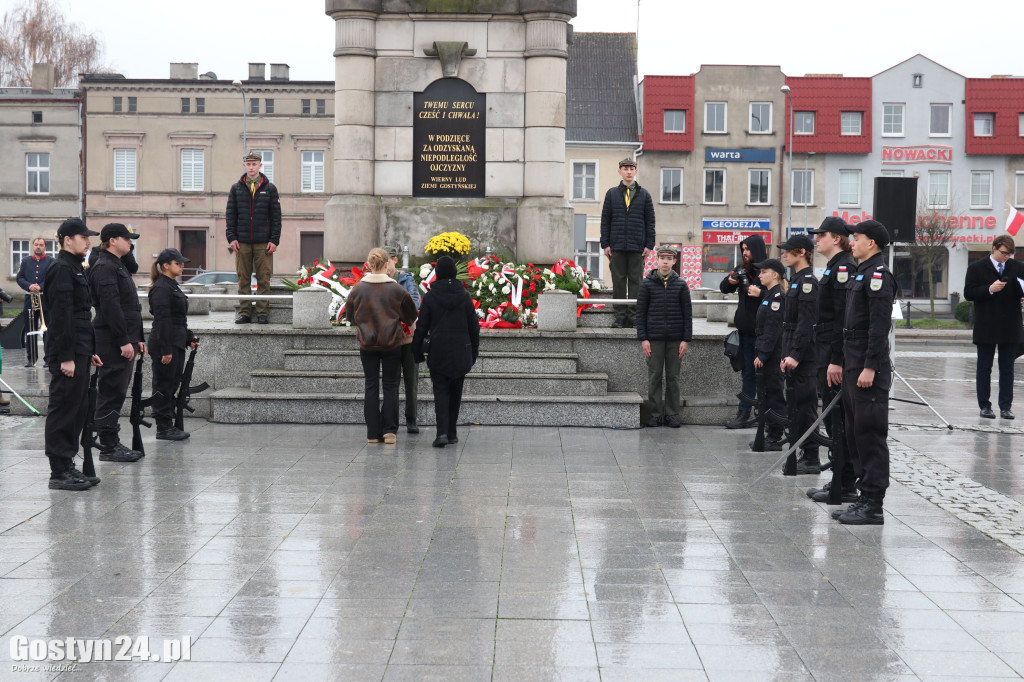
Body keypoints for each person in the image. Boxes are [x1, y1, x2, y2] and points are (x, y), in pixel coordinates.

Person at [835, 220, 897, 525]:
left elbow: (878, 326)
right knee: (855, 431)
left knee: (870, 433)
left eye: (856, 238)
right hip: (853, 359)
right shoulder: (861, 272)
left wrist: (871, 365)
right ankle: (863, 496)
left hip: (866, 364)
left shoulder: (878, 276)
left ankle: (874, 504)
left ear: (871, 243)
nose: (852, 243)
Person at [42, 218, 103, 490]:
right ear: (67, 239)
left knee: (77, 409)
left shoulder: (75, 267)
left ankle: (67, 463)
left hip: (79, 348)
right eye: (83, 237)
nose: (89, 242)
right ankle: (59, 471)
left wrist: (89, 351)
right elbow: (62, 316)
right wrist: (66, 356)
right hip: (67, 352)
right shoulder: (62, 269)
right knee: (64, 408)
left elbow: (81, 317)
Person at [806, 217, 858, 503]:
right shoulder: (835, 266)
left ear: (836, 238)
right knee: (833, 420)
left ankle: (845, 483)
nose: (817, 239)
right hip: (825, 349)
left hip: (832, 353)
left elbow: (842, 319)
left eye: (821, 234)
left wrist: (836, 360)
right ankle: (840, 478)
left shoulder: (843, 268)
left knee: (837, 421)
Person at [345, 248, 418, 445]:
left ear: (368, 265)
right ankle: (389, 432)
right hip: (391, 343)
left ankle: (372, 433)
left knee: (370, 385)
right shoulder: (396, 290)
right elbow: (411, 316)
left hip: (367, 344)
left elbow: (350, 317)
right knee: (390, 386)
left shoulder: (358, 289)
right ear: (387, 264)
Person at [87, 223, 145, 463]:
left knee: (117, 391)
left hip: (124, 338)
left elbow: (132, 307)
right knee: (111, 391)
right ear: (112, 240)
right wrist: (123, 341)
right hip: (112, 340)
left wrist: (137, 338)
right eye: (127, 239)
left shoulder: (117, 265)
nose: (131, 243)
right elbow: (110, 308)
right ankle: (109, 445)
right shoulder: (104, 267)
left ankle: (111, 440)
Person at [412, 256, 480, 448]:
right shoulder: (464, 296)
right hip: (461, 351)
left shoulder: (431, 297)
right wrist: (473, 352)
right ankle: (452, 433)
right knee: (456, 392)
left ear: (438, 274)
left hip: (438, 351)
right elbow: (474, 327)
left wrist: (417, 352)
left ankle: (441, 432)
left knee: (440, 391)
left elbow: (421, 327)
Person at [964, 235, 1023, 420]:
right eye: (1004, 253)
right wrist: (989, 289)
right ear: (994, 248)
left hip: (1010, 325)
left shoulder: (1018, 267)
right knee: (984, 368)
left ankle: (1006, 407)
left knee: (1007, 368)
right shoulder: (976, 267)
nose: (1007, 257)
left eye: (1010, 254)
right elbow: (968, 293)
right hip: (986, 325)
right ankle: (985, 406)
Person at [636, 246, 692, 428]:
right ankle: (655, 414)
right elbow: (640, 314)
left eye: (669, 258)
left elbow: (687, 315)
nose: (666, 261)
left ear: (674, 261)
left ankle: (671, 414)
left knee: (673, 378)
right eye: (662, 258)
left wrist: (685, 340)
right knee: (654, 376)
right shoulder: (647, 284)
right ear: (657, 260)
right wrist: (644, 339)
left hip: (675, 339)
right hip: (654, 339)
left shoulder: (681, 285)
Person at [778, 234, 820, 475]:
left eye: (788, 250)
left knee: (805, 406)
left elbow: (805, 324)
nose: (784, 254)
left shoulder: (807, 282)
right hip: (791, 352)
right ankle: (803, 451)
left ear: (802, 252)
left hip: (803, 358)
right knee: (795, 406)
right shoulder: (795, 280)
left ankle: (812, 456)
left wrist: (794, 354)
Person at [148, 248, 199, 441]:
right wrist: (166, 349)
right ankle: (163, 427)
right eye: (177, 263)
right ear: (165, 265)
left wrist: (189, 338)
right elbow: (162, 321)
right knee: (164, 386)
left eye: (182, 262)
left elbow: (178, 319)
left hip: (175, 342)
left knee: (172, 384)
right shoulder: (162, 287)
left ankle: (168, 424)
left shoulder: (171, 285)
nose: (182, 265)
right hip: (165, 344)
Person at [226, 150, 281, 325]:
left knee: (264, 277)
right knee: (243, 277)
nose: (251, 167)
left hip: (263, 242)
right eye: (248, 164)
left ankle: (263, 313)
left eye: (254, 164)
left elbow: (276, 217)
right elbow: (230, 215)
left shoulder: (269, 188)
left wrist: (274, 240)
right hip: (242, 241)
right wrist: (231, 237)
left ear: (260, 165)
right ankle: (245, 313)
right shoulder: (236, 188)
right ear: (244, 166)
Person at [600, 157, 655, 328]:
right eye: (625, 169)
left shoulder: (644, 194)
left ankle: (634, 317)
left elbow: (650, 221)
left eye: (631, 169)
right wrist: (605, 244)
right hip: (616, 246)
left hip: (637, 247)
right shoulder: (611, 194)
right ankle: (620, 317)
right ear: (620, 172)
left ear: (635, 171)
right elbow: (605, 220)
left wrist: (649, 245)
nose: (629, 172)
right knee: (618, 282)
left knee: (636, 283)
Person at [720, 234, 768, 429]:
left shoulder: (768, 271)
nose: (745, 253)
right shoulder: (741, 270)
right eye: (743, 250)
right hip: (745, 334)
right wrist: (730, 281)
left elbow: (782, 298)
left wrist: (761, 293)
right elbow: (724, 288)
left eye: (748, 249)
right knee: (747, 374)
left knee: (765, 376)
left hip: (764, 335)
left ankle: (767, 415)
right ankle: (744, 413)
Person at [751, 258, 787, 451]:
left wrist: (763, 354)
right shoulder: (769, 295)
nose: (759, 275)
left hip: (773, 355)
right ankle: (769, 434)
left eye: (764, 272)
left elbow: (772, 329)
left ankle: (775, 436)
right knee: (766, 393)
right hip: (766, 351)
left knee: (774, 394)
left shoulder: (777, 298)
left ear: (775, 275)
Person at [386, 246, 422, 433]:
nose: (386, 266)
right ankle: (391, 420)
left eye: (388, 261)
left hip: (408, 336)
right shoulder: (379, 281)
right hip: (390, 338)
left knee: (411, 380)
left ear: (395, 260)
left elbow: (415, 302)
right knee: (391, 382)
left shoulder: (407, 279)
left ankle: (411, 418)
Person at [16, 237, 55, 367]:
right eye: (36, 244)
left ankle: (48, 359)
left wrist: (41, 286)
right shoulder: (25, 261)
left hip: (46, 299)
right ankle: (31, 358)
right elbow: (19, 278)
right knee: (30, 329)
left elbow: (53, 278)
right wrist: (29, 286)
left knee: (48, 329)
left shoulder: (51, 261)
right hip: (30, 299)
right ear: (33, 246)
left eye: (41, 245)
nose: (38, 247)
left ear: (45, 247)